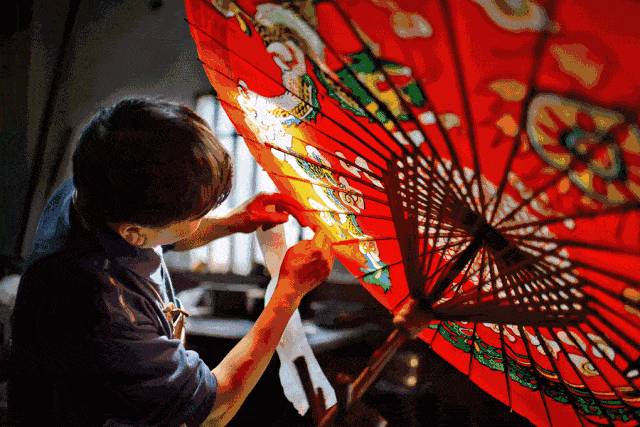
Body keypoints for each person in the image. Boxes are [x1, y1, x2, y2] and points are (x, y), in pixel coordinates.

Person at [7, 98, 334, 426]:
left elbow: (159, 234)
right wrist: (287, 294)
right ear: (133, 232)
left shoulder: (94, 186)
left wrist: (231, 222)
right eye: (195, 217)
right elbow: (214, 409)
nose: (202, 220)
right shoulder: (106, 310)